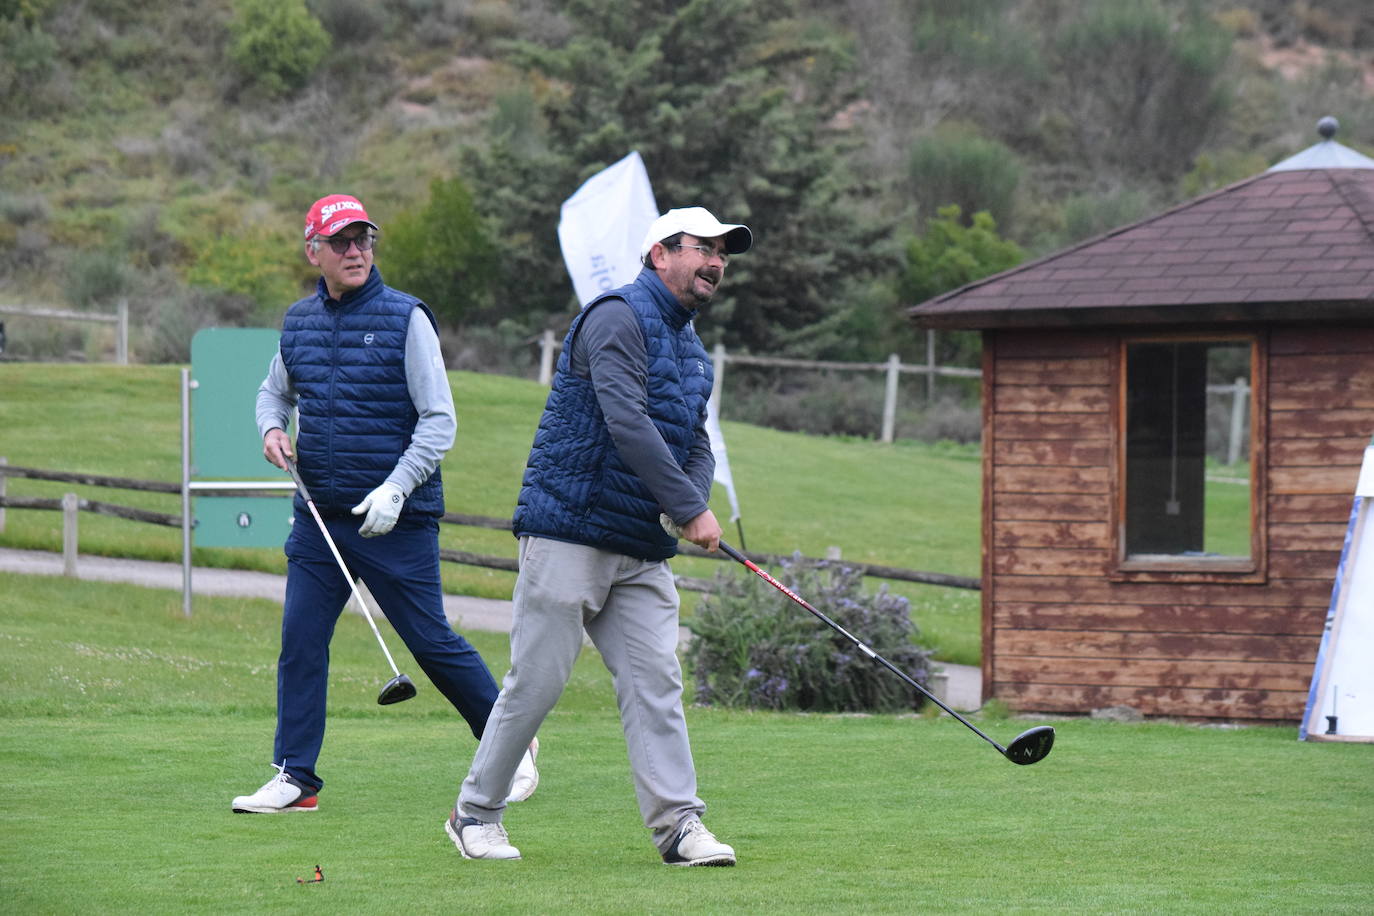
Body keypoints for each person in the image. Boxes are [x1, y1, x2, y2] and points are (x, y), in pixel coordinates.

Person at [445, 206, 751, 866]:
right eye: (705, 248)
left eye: (725, 253)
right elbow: (625, 421)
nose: (718, 263)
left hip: (639, 544)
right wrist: (687, 508)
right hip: (570, 528)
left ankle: (679, 827)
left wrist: (688, 501)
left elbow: (695, 442)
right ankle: (475, 814)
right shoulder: (615, 316)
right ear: (659, 253)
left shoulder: (694, 353)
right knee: (538, 682)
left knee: (655, 683)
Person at [232, 193, 538, 814]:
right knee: (300, 639)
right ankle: (296, 778)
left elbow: (439, 420)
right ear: (313, 250)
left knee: (430, 642)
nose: (355, 251)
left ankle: (512, 748)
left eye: (364, 240)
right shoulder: (300, 322)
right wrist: (272, 429)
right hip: (321, 516)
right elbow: (273, 392)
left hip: (398, 519)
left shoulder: (405, 318)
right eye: (341, 241)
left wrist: (397, 487)